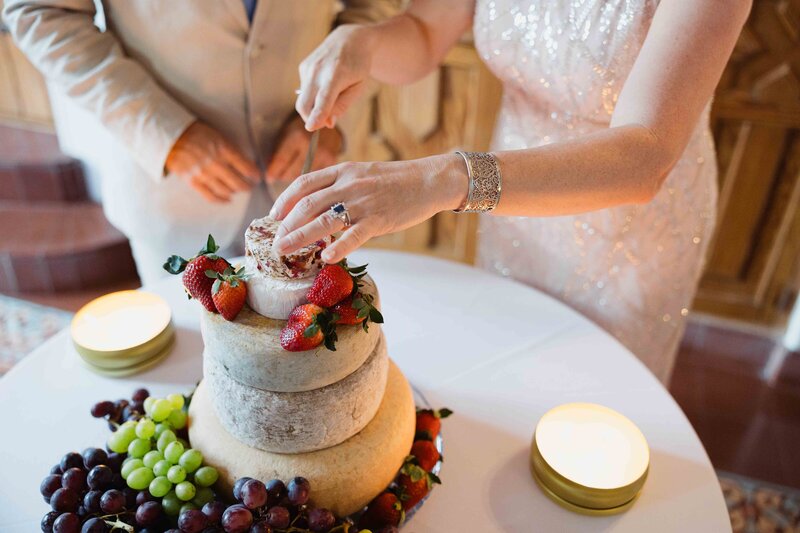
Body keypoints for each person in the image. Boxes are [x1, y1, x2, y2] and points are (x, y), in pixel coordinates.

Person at [268, 0, 751, 383]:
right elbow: (424, 31)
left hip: (628, 225)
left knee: (603, 391)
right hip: (513, 199)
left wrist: (445, 180)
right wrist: (364, 42)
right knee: (510, 362)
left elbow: (645, 157)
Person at [2, 0, 397, 285]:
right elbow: (38, 10)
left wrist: (335, 112)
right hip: (174, 197)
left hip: (317, 171)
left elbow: (376, 9)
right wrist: (165, 132)